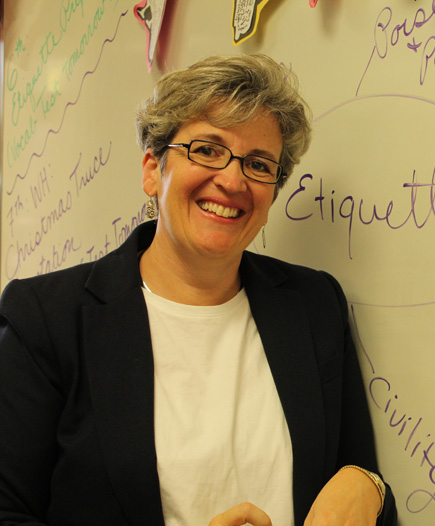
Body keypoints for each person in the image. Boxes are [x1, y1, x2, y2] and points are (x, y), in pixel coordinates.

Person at [0, 54, 396, 526]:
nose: (232, 180)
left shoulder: (314, 305)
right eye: (207, 150)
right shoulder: (46, 319)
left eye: (258, 164)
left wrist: (369, 485)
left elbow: (356, 478)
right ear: (153, 169)